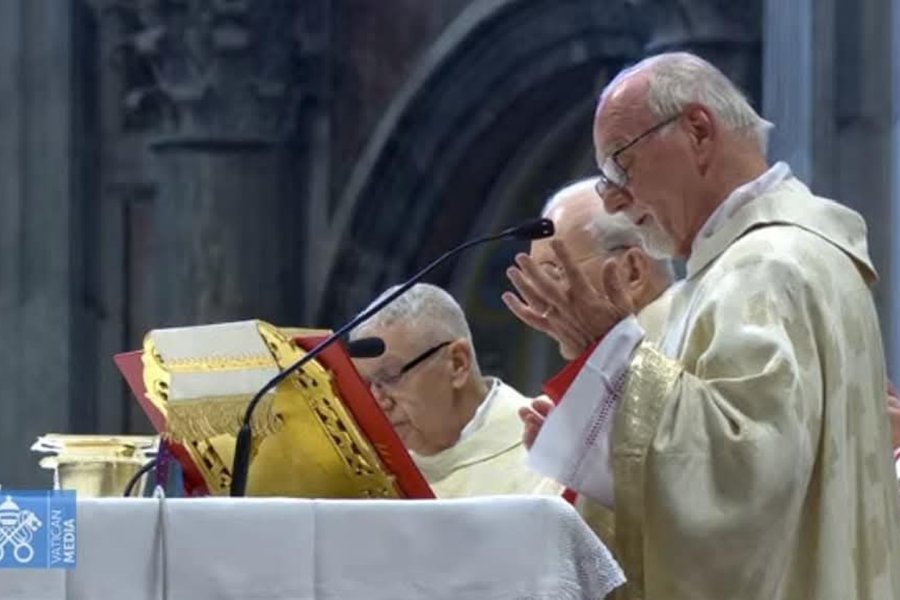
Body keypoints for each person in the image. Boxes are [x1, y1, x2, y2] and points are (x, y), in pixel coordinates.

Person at [503, 51, 900, 599]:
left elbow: (740, 486)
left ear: (696, 130)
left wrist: (612, 354)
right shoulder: (747, 265)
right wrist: (599, 386)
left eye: (620, 164)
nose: (615, 200)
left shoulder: (770, 267)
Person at [528, 178, 678, 547]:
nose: (539, 302)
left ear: (631, 272)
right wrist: (565, 450)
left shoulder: (685, 344)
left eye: (552, 274)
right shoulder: (606, 367)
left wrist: (581, 448)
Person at [350, 282, 560, 498]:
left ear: (457, 363)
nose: (378, 401)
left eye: (390, 377)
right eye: (368, 384)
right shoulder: (370, 473)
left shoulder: (552, 446)